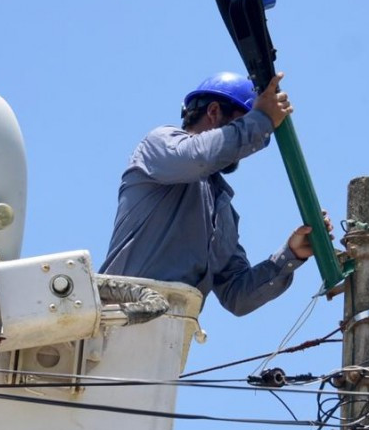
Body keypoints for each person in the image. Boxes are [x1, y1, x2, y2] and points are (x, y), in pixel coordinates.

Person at [99, 71, 330, 316]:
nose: (247, 144)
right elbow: (199, 158)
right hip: (115, 321)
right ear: (213, 112)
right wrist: (261, 120)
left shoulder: (221, 211)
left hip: (167, 336)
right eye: (242, 123)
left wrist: (291, 254)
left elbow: (238, 296)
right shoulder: (159, 146)